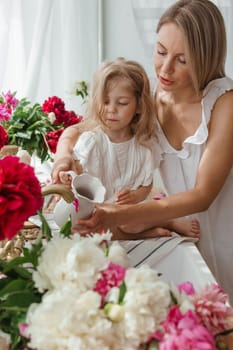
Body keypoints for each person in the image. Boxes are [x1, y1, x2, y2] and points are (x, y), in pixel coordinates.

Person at [52, 0, 233, 304]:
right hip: (183, 240)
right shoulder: (149, 98)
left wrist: (120, 215)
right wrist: (63, 158)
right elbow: (76, 131)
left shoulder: (225, 104)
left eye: (182, 59)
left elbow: (203, 194)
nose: (165, 68)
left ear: (205, 58)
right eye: (161, 51)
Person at [58, 57, 200, 238]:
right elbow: (77, 172)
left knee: (134, 218)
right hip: (99, 208)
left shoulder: (142, 146)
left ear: (139, 106)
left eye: (122, 103)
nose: (111, 109)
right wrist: (67, 176)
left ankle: (167, 221)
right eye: (105, 101)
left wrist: (135, 196)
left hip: (128, 212)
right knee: (84, 224)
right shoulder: (92, 141)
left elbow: (146, 185)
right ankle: (142, 235)